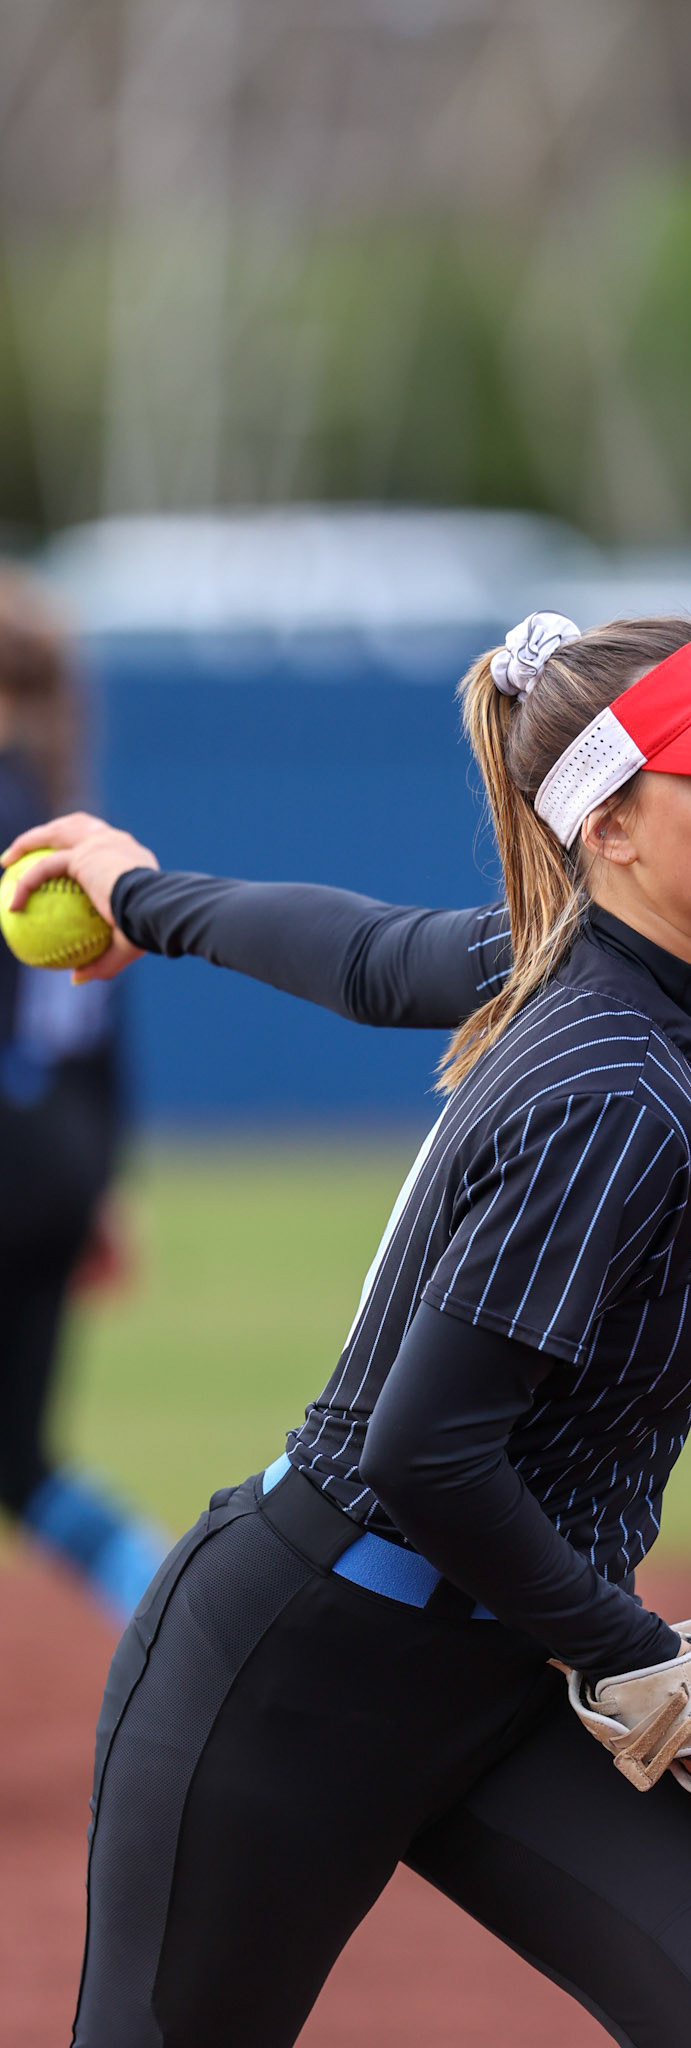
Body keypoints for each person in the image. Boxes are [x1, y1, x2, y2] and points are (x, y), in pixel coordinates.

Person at [4, 611, 691, 2048]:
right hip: (298, 1678)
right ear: (610, 828)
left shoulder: (643, 983)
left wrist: (145, 896)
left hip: (511, 1666)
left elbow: (369, 957)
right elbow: (426, 1453)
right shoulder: (612, 1087)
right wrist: (643, 1657)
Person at [0, 569, 165, 1624]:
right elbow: (101, 1038)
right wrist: (96, 1179)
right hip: (57, 1156)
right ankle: (173, 1603)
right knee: (17, 1454)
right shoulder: (64, 816)